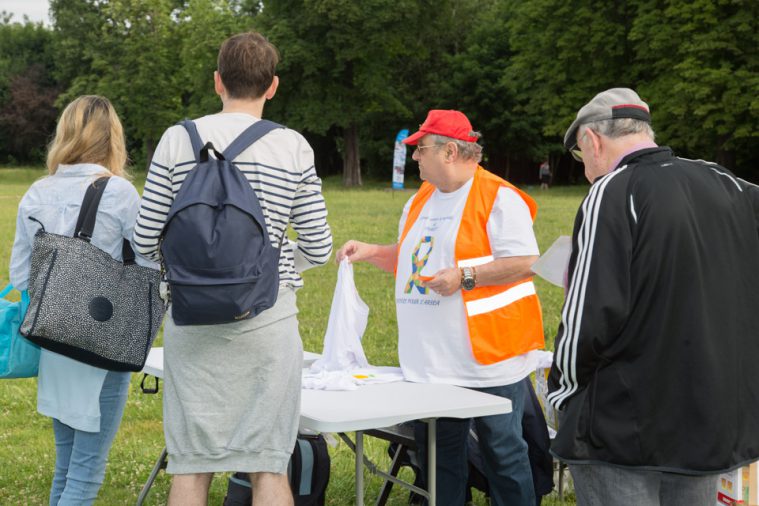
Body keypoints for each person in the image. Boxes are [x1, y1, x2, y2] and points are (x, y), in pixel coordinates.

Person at [132, 32, 332, 506]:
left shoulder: (177, 139)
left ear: (218, 81)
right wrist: (276, 265)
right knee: (267, 466)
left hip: (191, 320)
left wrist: (186, 272)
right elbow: (319, 247)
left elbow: (143, 240)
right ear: (273, 86)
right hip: (268, 321)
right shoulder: (293, 147)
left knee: (191, 465)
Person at [547, 88, 759, 506]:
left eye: (579, 156)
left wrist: (563, 392)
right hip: (708, 419)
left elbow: (590, 313)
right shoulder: (724, 182)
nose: (586, 170)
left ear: (592, 140)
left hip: (624, 425)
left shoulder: (612, 190)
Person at [336, 109, 545, 506]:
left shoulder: (499, 197)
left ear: (450, 151)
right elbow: (412, 258)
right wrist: (372, 252)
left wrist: (464, 277)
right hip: (431, 360)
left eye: (421, 149)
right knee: (439, 458)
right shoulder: (422, 198)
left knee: (503, 452)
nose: (415, 157)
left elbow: (524, 261)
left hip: (490, 358)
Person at [9, 95, 148, 505]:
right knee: (86, 473)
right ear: (112, 139)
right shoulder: (121, 193)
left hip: (54, 339)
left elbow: (20, 276)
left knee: (67, 465)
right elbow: (146, 265)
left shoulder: (37, 192)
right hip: (104, 343)